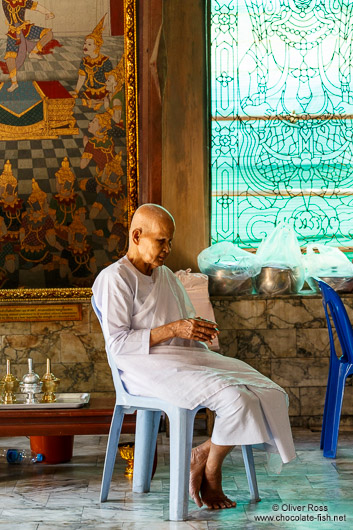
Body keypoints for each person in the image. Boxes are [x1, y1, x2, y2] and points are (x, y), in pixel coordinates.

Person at [92, 204, 296, 510]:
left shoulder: (168, 278)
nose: (168, 249)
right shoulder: (115, 279)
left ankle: (202, 454)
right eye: (161, 241)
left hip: (184, 359)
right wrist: (175, 328)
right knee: (237, 400)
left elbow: (186, 321)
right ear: (137, 235)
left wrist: (199, 330)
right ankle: (212, 471)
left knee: (270, 393)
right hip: (141, 366)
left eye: (170, 242)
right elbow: (118, 344)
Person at [1, 0, 55, 92]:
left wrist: (48, 13)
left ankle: (33, 52)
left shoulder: (23, 1)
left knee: (48, 34)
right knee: (10, 57)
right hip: (13, 32)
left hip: (25, 29)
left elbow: (36, 6)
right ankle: (14, 83)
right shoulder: (5, 1)